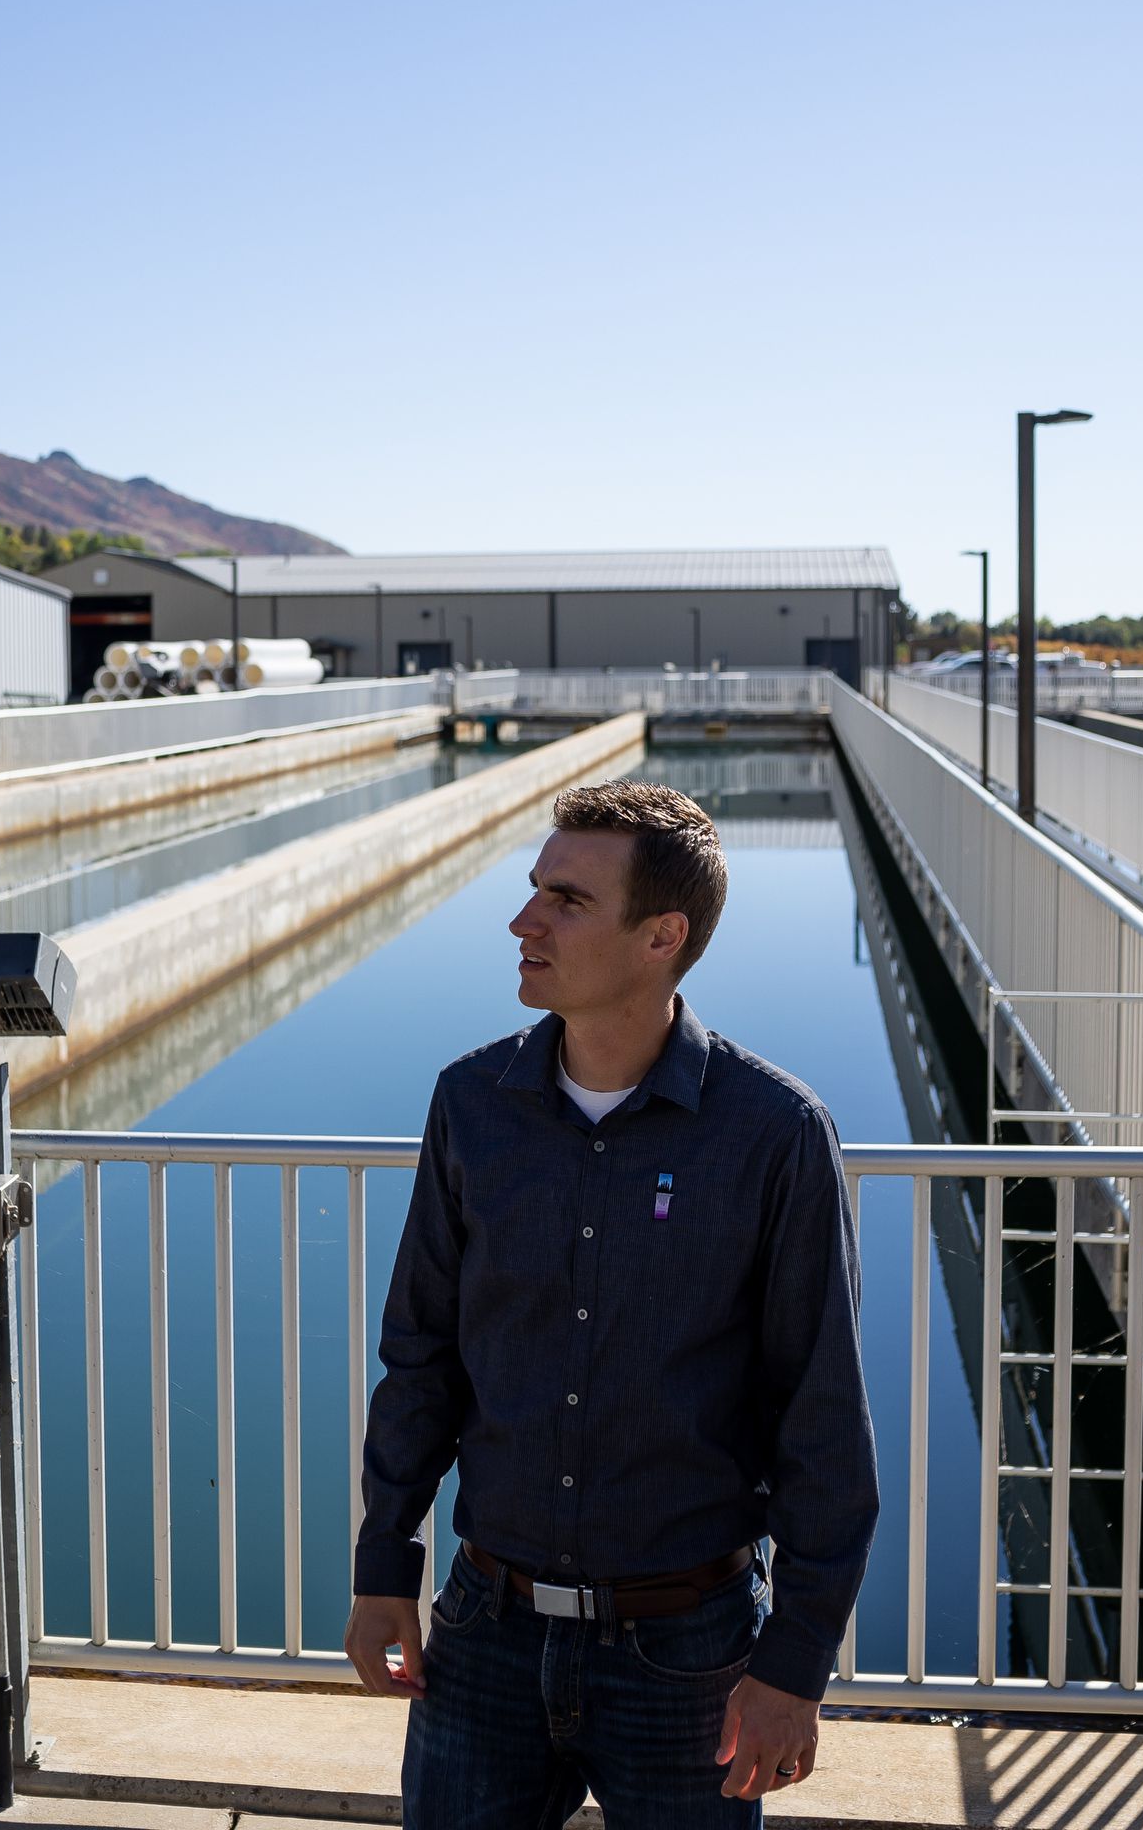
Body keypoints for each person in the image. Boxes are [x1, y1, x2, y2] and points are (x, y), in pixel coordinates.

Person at [343, 779, 877, 1828]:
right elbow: (422, 1358)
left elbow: (821, 1420)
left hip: (691, 1658)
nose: (523, 920)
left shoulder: (773, 1133)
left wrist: (797, 1663)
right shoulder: (470, 1105)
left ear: (661, 935)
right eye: (535, 887)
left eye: (568, 900)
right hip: (486, 1628)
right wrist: (383, 1565)